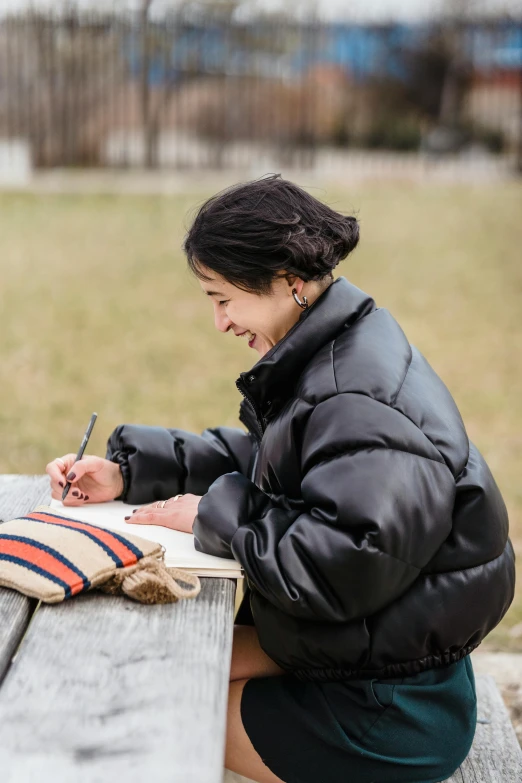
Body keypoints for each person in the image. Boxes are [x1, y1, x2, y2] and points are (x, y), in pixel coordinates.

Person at [46, 174, 515, 783]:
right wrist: (129, 472)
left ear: (289, 284)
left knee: (150, 709)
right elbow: (271, 460)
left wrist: (213, 515)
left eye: (222, 298)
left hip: (387, 711)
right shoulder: (336, 348)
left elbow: (343, 560)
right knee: (150, 667)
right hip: (357, 655)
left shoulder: (353, 394)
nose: (218, 322)